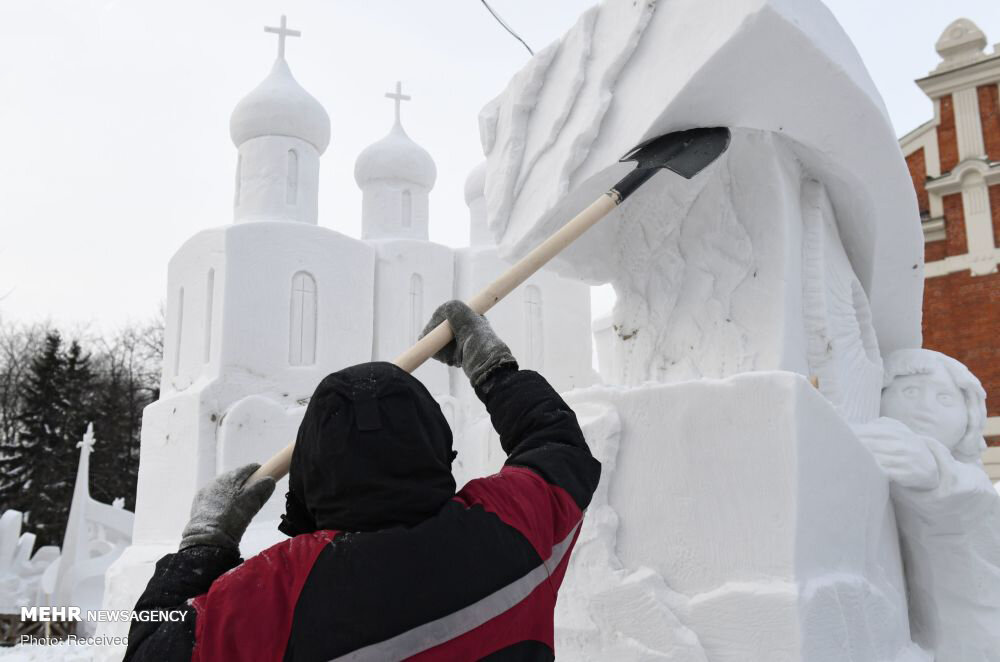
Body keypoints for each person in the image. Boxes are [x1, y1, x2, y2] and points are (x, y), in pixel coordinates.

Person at [124, 300, 602, 661]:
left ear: (310, 474)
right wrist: (493, 369)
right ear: (436, 442)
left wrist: (203, 546)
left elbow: (154, 650)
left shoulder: (272, 593)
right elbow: (559, 448)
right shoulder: (511, 529)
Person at [853, 348, 1000, 661]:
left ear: (969, 416)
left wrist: (933, 473)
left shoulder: (968, 481)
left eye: (944, 398)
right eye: (909, 391)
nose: (925, 407)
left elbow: (971, 502)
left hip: (976, 639)